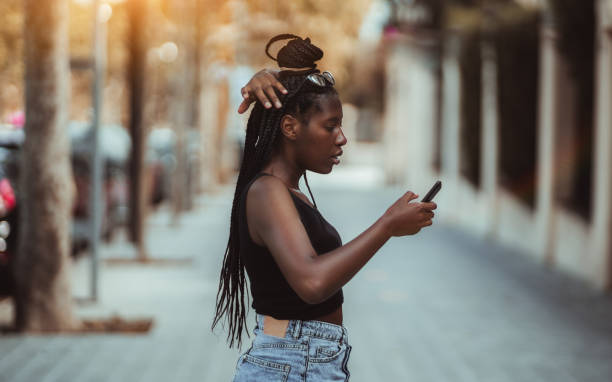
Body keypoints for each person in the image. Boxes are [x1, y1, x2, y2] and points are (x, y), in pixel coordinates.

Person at [212, 34, 437, 381]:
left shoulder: (287, 191)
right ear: (289, 127)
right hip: (293, 362)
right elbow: (312, 282)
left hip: (304, 361)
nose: (342, 138)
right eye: (330, 126)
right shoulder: (267, 192)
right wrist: (387, 226)